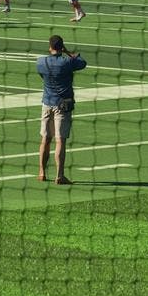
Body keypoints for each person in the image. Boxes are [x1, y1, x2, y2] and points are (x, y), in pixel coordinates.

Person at [35, 35, 86, 184]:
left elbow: (41, 75)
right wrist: (68, 52)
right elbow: (82, 63)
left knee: (45, 139)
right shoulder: (66, 62)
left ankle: (42, 172)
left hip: (46, 103)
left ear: (49, 46)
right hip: (62, 105)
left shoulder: (41, 62)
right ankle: (59, 175)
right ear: (61, 47)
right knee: (60, 141)